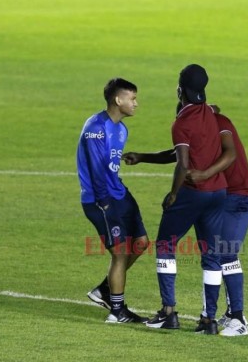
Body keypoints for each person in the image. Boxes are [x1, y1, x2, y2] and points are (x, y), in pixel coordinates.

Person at [122, 64, 227, 334]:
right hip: (218, 193)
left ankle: (168, 312)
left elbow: (181, 163)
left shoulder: (181, 123)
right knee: (211, 256)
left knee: (166, 246)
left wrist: (173, 194)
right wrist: (143, 156)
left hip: (193, 193)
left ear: (180, 89)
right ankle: (209, 320)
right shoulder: (210, 112)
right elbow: (179, 152)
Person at [76, 77, 149, 324]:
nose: (136, 103)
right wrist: (105, 202)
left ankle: (105, 290)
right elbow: (96, 169)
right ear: (118, 100)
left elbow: (107, 165)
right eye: (132, 98)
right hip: (100, 199)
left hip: (119, 193)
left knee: (140, 243)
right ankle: (117, 311)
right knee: (120, 253)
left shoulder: (121, 129)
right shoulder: (96, 127)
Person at [187, 111, 248, 336]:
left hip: (240, 197)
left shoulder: (217, 122)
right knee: (217, 254)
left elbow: (230, 153)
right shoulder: (203, 125)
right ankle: (230, 314)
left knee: (225, 253)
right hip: (226, 197)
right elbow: (179, 152)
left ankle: (238, 320)